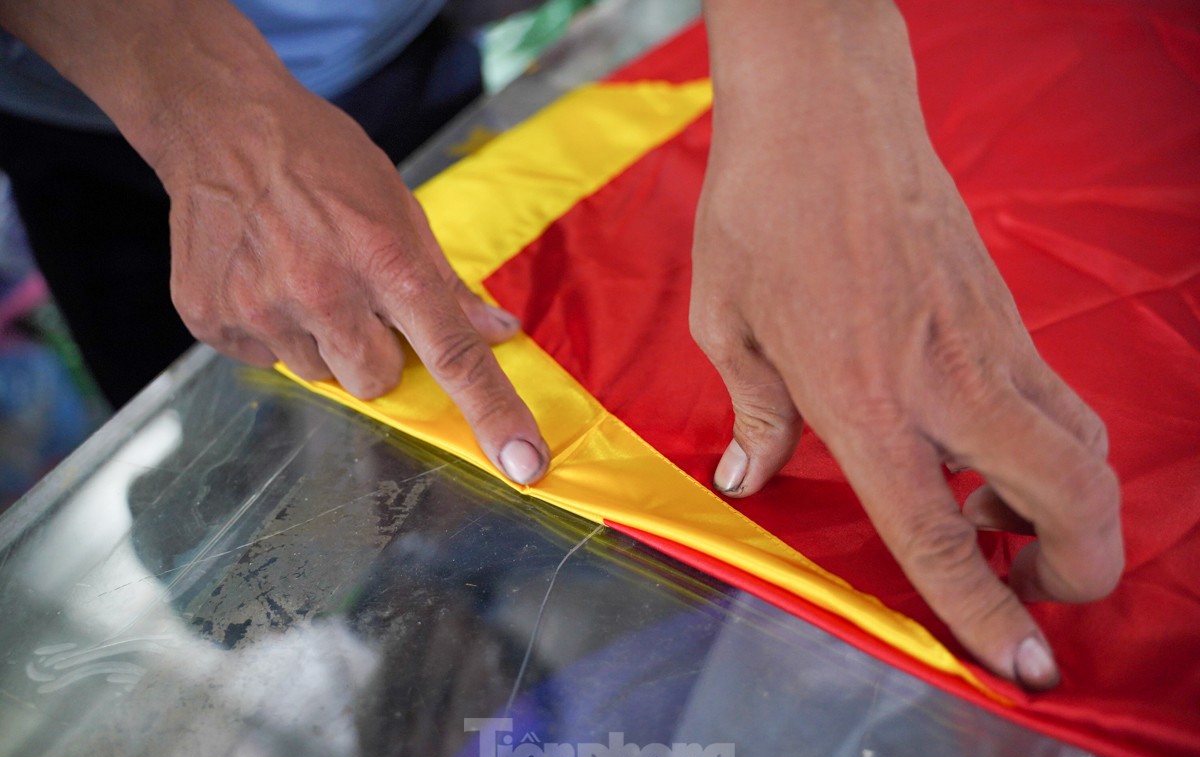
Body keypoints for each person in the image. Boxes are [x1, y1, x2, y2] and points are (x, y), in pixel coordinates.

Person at [0, 0, 1123, 690]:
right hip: (101, 97)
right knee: (266, 351)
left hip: (399, 36)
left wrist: (825, 63)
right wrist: (207, 112)